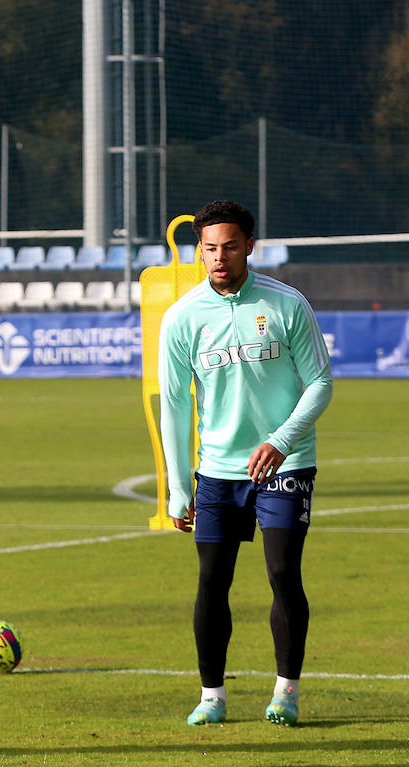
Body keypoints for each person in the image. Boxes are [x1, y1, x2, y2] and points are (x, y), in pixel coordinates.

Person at [159, 199, 333, 728]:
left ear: (249, 246)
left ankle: (287, 692)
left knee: (282, 572)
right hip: (217, 470)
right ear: (199, 251)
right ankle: (212, 696)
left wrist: (280, 442)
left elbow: (321, 383)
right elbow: (173, 404)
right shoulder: (182, 316)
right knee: (212, 579)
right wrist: (177, 486)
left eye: (230, 246)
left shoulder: (286, 305)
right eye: (209, 247)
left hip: (285, 464)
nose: (219, 257)